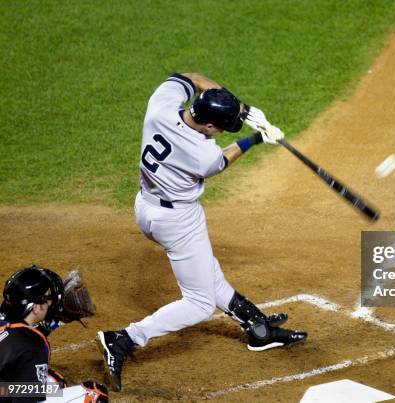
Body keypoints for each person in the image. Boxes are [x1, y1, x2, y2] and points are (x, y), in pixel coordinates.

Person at [97, 73, 307, 392]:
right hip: (177, 220)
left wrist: (242, 109)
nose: (222, 132)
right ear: (209, 126)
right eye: (221, 127)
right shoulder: (202, 154)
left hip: (146, 206)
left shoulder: (161, 105)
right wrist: (257, 139)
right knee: (199, 302)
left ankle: (258, 328)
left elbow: (193, 78)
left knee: (208, 274)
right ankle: (123, 340)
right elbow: (222, 160)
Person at [0, 266, 108, 402]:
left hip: (3, 388)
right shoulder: (33, 345)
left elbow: (19, 335)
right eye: (45, 300)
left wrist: (56, 321)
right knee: (94, 394)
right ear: (35, 308)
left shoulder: (6, 318)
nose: (50, 303)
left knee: (55, 383)